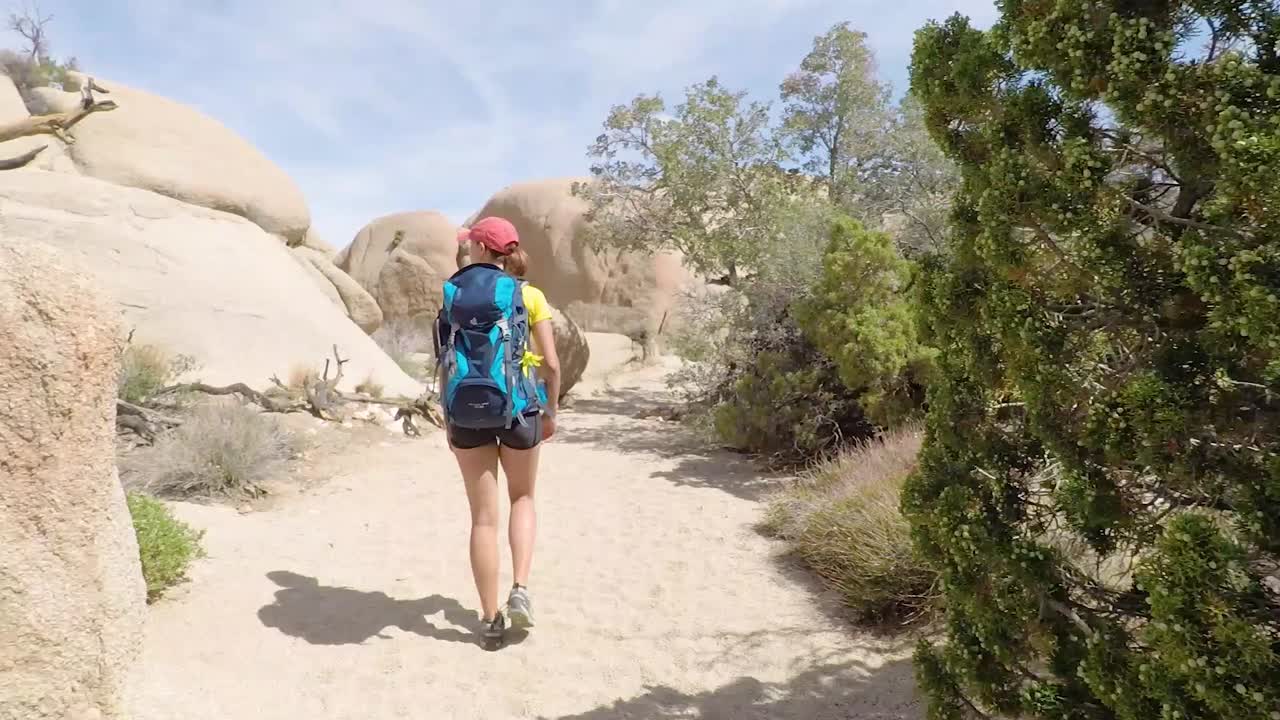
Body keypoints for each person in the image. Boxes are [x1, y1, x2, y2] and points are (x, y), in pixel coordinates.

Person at [436, 216, 561, 644]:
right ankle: (520, 589)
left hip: (466, 412)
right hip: (520, 409)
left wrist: (448, 415)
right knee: (523, 497)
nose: (469, 250)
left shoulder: (453, 294)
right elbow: (552, 364)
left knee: (483, 520)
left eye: (472, 244)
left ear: (482, 249)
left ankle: (490, 621)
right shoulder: (530, 296)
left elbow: (444, 360)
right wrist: (550, 411)